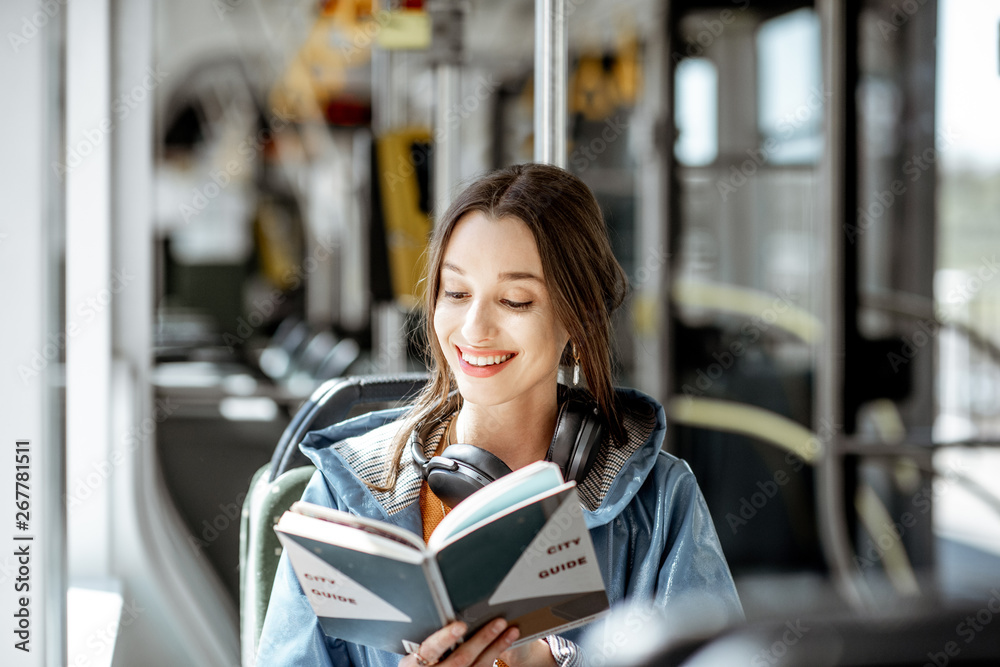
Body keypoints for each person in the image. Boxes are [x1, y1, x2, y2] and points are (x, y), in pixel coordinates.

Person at [255, 163, 742, 666]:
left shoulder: (659, 504)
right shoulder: (347, 493)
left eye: (514, 300)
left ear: (578, 316)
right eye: (457, 293)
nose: (474, 328)